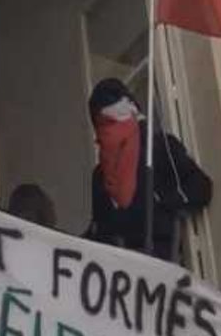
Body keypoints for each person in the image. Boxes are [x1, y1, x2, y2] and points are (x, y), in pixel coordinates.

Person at [84, 78, 212, 262]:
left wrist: (160, 202)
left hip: (158, 262)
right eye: (102, 124)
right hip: (118, 267)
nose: (107, 132)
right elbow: (99, 229)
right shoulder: (99, 176)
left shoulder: (159, 147)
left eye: (111, 122)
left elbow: (200, 186)